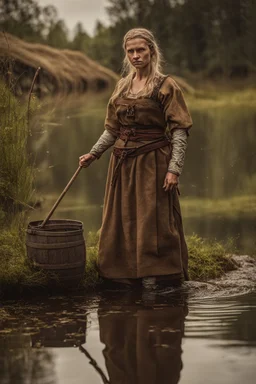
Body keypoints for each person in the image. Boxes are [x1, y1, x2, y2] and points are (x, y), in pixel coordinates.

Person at [79, 28, 192, 288]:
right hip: (122, 164)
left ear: (152, 51)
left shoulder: (166, 86)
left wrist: (174, 169)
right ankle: (122, 274)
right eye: (130, 51)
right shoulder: (122, 86)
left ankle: (158, 273)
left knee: (154, 218)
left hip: (153, 162)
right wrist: (94, 153)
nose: (135, 55)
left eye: (140, 50)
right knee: (122, 218)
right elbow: (112, 129)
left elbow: (179, 131)